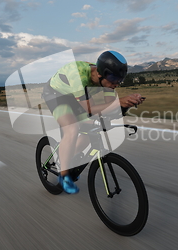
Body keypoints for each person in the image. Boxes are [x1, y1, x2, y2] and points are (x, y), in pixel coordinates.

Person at [42, 51, 144, 194]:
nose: (116, 83)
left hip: (77, 96)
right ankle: (64, 176)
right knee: (72, 129)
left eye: (120, 80)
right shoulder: (78, 75)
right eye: (114, 78)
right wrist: (119, 102)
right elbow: (89, 109)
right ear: (101, 73)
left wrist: (127, 104)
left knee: (92, 128)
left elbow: (109, 109)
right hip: (56, 94)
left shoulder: (109, 83)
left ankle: (68, 155)